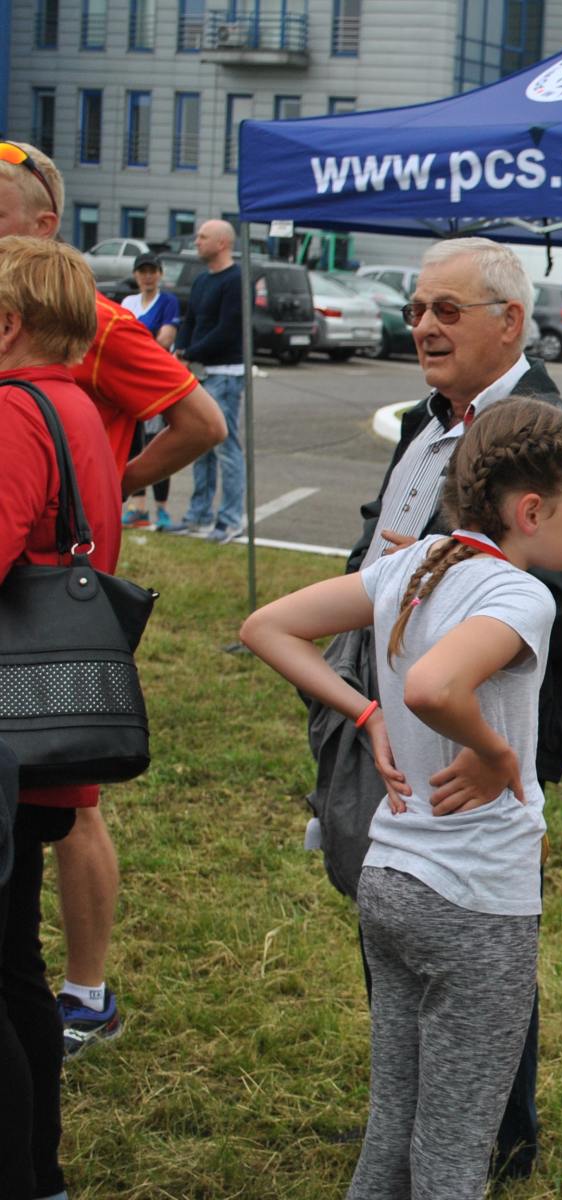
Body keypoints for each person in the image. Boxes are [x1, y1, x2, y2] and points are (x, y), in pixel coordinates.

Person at [242, 397, 562, 1199]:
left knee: (393, 1130)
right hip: (474, 902)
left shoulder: (416, 565)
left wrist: (365, 711)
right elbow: (438, 686)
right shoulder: (521, 598)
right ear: (531, 511)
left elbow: (266, 625)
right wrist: (497, 753)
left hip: (391, 881)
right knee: (452, 1154)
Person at [344, 236, 562, 1182]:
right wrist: (366, 703)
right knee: (421, 976)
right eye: (417, 308)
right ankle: (429, 1126)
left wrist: (490, 737)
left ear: (510, 322)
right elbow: (375, 560)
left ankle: (494, 1130)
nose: (424, 326)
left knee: (475, 965)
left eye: (447, 310)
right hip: (408, 747)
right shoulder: (427, 426)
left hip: (473, 751)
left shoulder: (551, 441)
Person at [0, 140, 227, 1061]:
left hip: (47, 603)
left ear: (44, 225)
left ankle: (86, 991)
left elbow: (203, 422)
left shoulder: (83, 320)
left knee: (70, 789)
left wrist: (104, 485)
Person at [0, 235, 121, 1200]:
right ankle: (38, 1171)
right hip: (38, 724)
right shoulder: (74, 404)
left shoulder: (12, 410)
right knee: (14, 968)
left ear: (8, 324)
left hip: (4, 736)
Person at [171, 219, 247, 543]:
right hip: (199, 373)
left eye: (203, 237)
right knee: (200, 445)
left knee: (225, 448)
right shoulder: (202, 279)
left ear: (222, 243)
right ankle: (198, 515)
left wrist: (191, 352)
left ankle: (230, 520)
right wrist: (180, 350)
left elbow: (227, 329)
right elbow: (190, 320)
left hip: (225, 374)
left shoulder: (235, 280)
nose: (197, 241)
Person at [120, 254, 180, 531]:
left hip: (155, 381)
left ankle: (162, 509)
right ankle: (138, 506)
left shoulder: (167, 301)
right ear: (135, 275)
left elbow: (165, 339)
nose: (147, 276)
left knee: (157, 442)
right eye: (142, 271)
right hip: (130, 381)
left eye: (152, 271)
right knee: (134, 444)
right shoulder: (128, 303)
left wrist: (136, 351)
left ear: (160, 274)